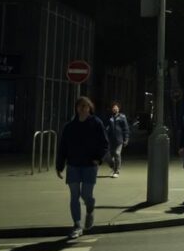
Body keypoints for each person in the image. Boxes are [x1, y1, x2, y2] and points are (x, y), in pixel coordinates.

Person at [56, 96, 109, 240]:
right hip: (73, 165)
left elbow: (104, 143)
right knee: (74, 196)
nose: (83, 108)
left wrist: (98, 159)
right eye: (80, 106)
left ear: (90, 108)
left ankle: (90, 209)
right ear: (76, 108)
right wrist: (59, 166)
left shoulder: (96, 123)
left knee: (86, 195)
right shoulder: (70, 126)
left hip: (89, 166)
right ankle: (77, 225)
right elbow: (63, 147)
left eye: (85, 106)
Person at [105, 101, 130, 177]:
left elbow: (126, 128)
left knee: (117, 153)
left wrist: (126, 139)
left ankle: (117, 171)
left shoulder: (122, 117)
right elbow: (106, 128)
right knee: (108, 156)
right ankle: (113, 167)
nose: (115, 109)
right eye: (113, 108)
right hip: (110, 140)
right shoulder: (109, 118)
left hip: (119, 139)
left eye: (116, 108)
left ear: (119, 109)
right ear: (112, 109)